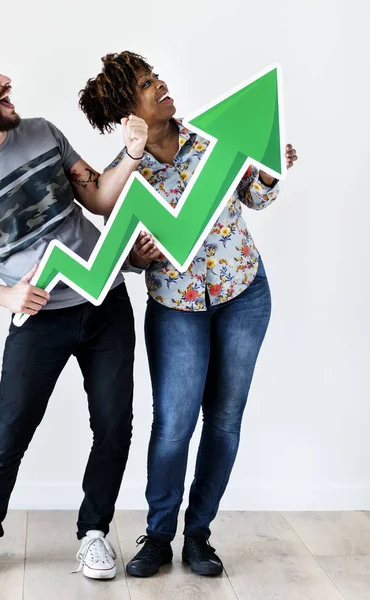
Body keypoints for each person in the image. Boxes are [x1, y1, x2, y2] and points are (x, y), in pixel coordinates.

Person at [79, 51, 298, 578]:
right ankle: (157, 536)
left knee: (224, 420)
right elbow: (120, 252)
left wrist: (270, 172)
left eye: (157, 78)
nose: (162, 87)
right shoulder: (123, 175)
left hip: (244, 293)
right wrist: (138, 258)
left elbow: (253, 196)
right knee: (174, 424)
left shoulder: (211, 139)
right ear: (128, 109)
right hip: (176, 308)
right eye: (149, 85)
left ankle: (198, 535)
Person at [0, 51, 149, 582]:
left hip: (104, 301)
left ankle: (94, 533)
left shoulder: (44, 132)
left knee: (115, 425)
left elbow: (97, 197)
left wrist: (132, 154)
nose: (5, 80)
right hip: (38, 319)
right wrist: (3, 295)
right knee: (10, 431)